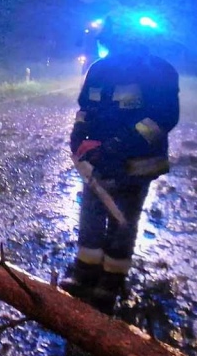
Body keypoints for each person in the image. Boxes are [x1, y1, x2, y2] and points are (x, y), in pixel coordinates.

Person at [64, 15, 179, 302]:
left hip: (137, 164)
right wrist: (78, 135)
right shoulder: (100, 69)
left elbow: (163, 119)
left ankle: (111, 283)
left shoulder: (160, 72)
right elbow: (86, 108)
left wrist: (117, 146)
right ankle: (85, 274)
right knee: (91, 214)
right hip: (99, 160)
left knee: (123, 221)